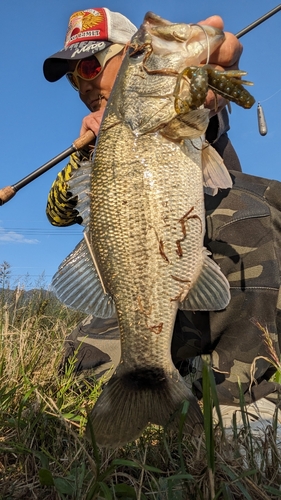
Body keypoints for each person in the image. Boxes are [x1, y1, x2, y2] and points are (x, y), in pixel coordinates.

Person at [44, 8, 281, 426]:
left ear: (128, 57)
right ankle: (159, 377)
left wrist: (209, 85)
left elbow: (204, 109)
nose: (82, 84)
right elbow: (58, 213)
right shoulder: (97, 140)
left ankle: (244, 403)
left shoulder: (178, 105)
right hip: (139, 288)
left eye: (89, 66)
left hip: (211, 272)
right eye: (72, 76)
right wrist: (86, 153)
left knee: (250, 204)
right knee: (83, 367)